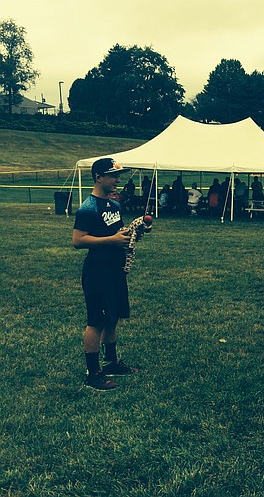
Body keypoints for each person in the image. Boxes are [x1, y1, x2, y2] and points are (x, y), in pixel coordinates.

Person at [72, 158, 137, 391]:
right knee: (96, 321)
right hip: (97, 271)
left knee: (112, 317)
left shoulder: (115, 206)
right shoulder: (88, 208)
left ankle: (111, 363)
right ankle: (93, 373)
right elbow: (78, 240)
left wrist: (132, 232)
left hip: (114, 270)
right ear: (99, 177)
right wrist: (112, 240)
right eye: (112, 175)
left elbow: (116, 232)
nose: (117, 180)